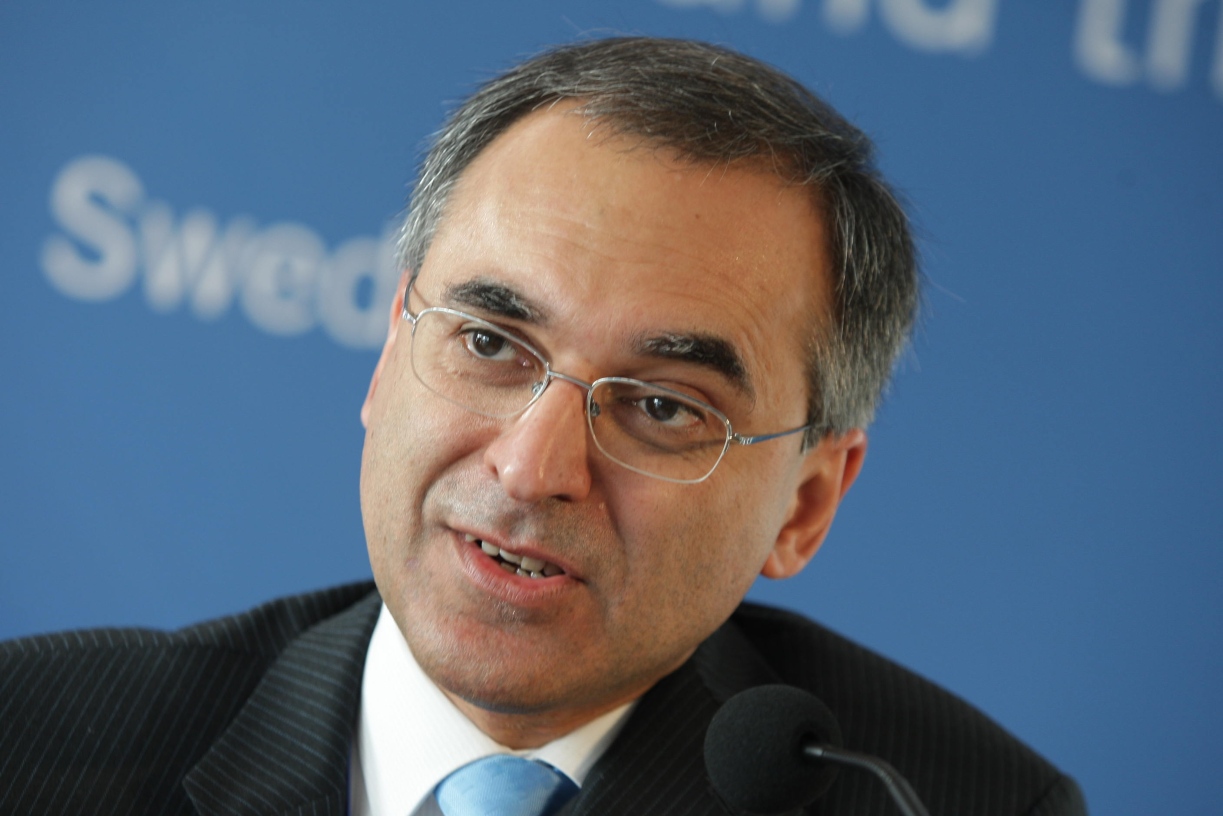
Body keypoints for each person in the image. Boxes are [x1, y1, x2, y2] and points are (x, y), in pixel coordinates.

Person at [0, 37, 1086, 816]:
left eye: (663, 407)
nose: (530, 468)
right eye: (489, 343)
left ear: (804, 506)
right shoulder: (35, 740)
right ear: (388, 355)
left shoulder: (941, 800)